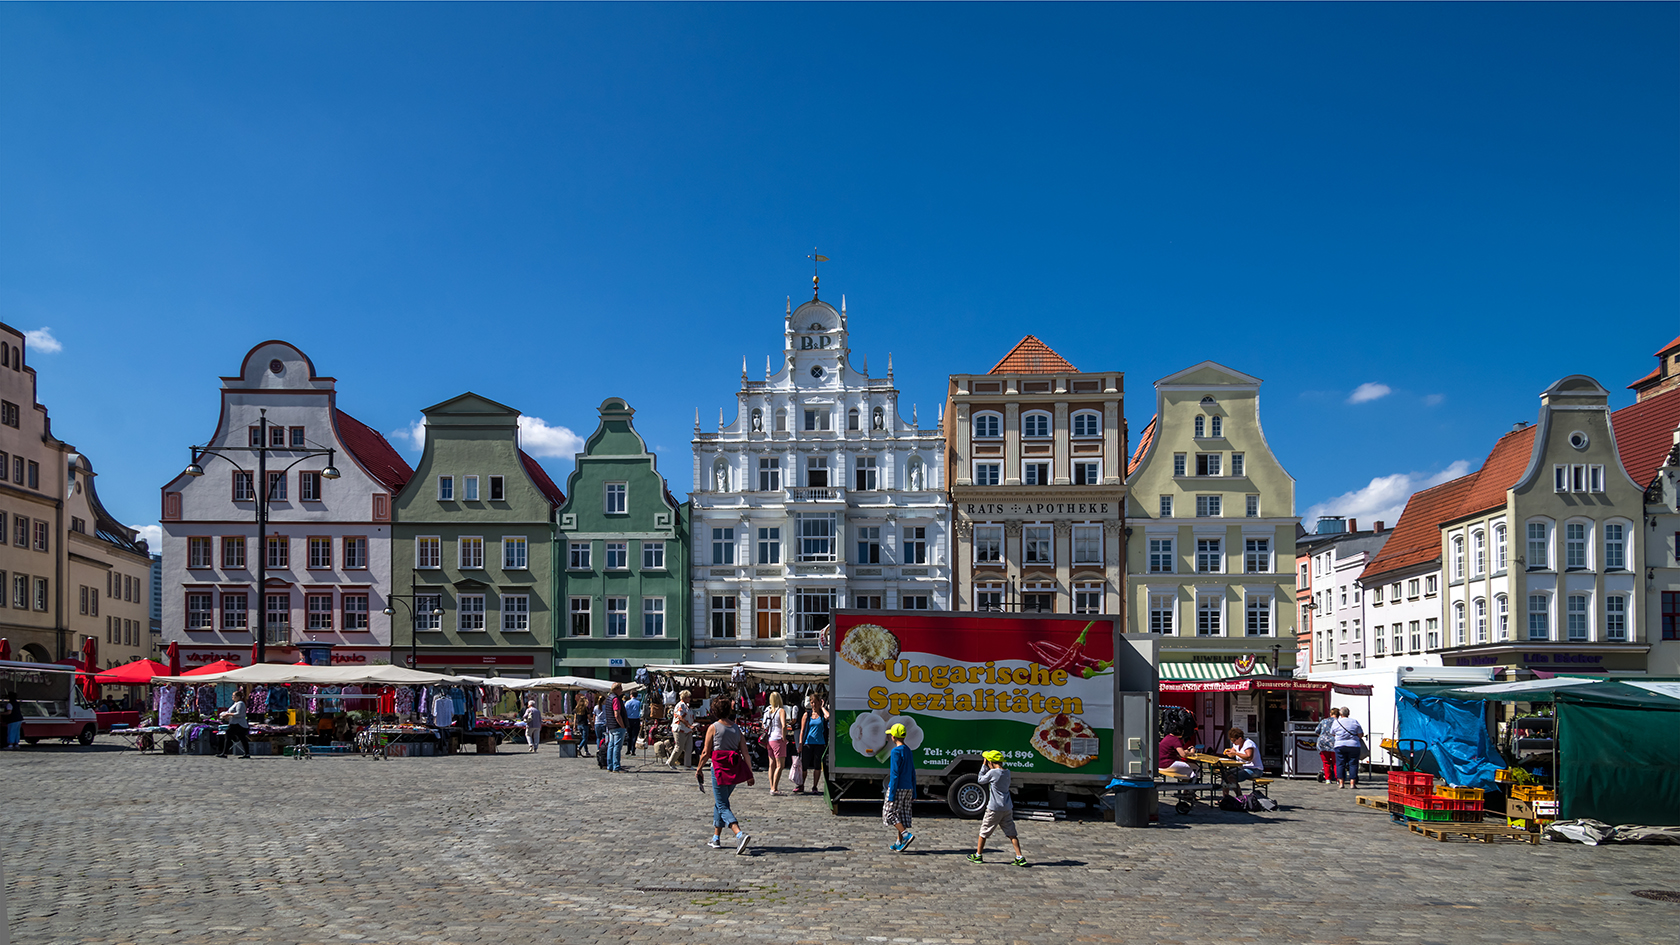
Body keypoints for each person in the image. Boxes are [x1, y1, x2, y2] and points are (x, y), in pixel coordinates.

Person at [700, 698, 753, 854]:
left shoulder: (713, 727)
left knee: (722, 804)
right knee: (721, 802)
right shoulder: (737, 729)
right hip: (734, 770)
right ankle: (716, 838)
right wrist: (749, 774)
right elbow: (745, 753)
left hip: (719, 770)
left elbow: (705, 752)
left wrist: (698, 769)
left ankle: (739, 833)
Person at [969, 750, 1026, 866]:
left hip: (994, 808)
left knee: (984, 832)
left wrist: (984, 766)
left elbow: (980, 780)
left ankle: (978, 855)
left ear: (990, 762)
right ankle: (1019, 856)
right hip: (1007, 807)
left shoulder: (993, 773)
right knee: (1011, 833)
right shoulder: (1007, 772)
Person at [883, 723, 916, 851]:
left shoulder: (895, 751)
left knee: (889, 813)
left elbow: (894, 773)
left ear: (893, 737)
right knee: (901, 814)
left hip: (898, 787)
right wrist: (914, 790)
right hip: (908, 787)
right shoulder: (908, 750)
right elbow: (913, 771)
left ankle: (905, 835)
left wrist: (891, 794)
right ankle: (899, 842)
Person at [794, 693, 830, 795]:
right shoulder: (807, 715)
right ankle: (801, 784)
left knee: (817, 766)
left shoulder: (822, 715)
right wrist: (800, 744)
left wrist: (822, 708)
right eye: (811, 702)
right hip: (807, 743)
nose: (813, 704)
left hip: (820, 743)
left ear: (819, 702)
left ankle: (815, 786)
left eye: (815, 702)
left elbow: (828, 716)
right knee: (804, 766)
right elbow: (802, 730)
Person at [1331, 708, 1367, 789]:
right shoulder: (1354, 721)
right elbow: (1360, 734)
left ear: (1340, 714)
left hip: (1339, 745)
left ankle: (1341, 783)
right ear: (1349, 713)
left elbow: (1332, 733)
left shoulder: (1336, 722)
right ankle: (1352, 783)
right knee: (1353, 764)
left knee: (1340, 764)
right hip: (1353, 745)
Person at [1220, 727, 1261, 796]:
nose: (1233, 742)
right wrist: (1229, 752)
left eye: (1234, 740)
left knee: (1231, 777)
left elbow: (1249, 757)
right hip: (1243, 767)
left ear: (1240, 738)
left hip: (1254, 769)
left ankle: (1240, 797)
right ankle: (1225, 798)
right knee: (1225, 775)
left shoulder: (1248, 744)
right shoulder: (1236, 744)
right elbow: (1232, 754)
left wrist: (1236, 753)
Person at [762, 692, 788, 795]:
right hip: (778, 738)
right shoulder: (781, 711)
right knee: (780, 765)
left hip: (770, 738)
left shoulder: (768, 711)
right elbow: (784, 725)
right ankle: (774, 788)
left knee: (771, 764)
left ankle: (771, 786)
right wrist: (784, 737)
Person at [217, 688, 252, 759]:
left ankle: (224, 753)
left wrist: (228, 714)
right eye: (232, 696)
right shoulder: (235, 704)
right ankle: (247, 753)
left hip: (238, 724)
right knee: (242, 738)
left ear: (238, 697)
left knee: (228, 736)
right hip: (235, 723)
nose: (232, 697)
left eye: (234, 696)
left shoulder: (240, 704)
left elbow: (239, 714)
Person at [667, 689, 695, 768]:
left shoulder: (687, 706)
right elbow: (680, 717)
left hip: (688, 730)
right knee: (679, 747)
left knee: (689, 748)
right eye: (688, 697)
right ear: (685, 697)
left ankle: (688, 765)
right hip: (680, 729)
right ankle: (671, 762)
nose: (690, 698)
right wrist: (689, 725)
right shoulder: (680, 705)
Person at [605, 683, 629, 772]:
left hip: (610, 725)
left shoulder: (609, 698)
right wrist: (622, 725)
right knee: (617, 747)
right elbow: (617, 714)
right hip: (617, 725)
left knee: (611, 746)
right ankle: (616, 766)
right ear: (617, 689)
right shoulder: (615, 699)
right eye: (621, 688)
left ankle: (610, 765)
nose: (622, 690)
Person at [1315, 709, 1340, 784]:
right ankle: (1338, 779)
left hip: (1322, 743)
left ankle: (1328, 779)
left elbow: (1316, 731)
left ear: (1330, 714)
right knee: (1336, 762)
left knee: (1326, 762)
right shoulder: (1339, 722)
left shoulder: (1323, 721)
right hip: (1334, 743)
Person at [623, 690, 643, 756]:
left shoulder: (628, 702)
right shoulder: (639, 703)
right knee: (635, 735)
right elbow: (641, 711)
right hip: (636, 719)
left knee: (629, 735)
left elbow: (625, 711)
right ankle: (633, 750)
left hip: (629, 720)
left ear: (631, 695)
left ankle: (628, 750)